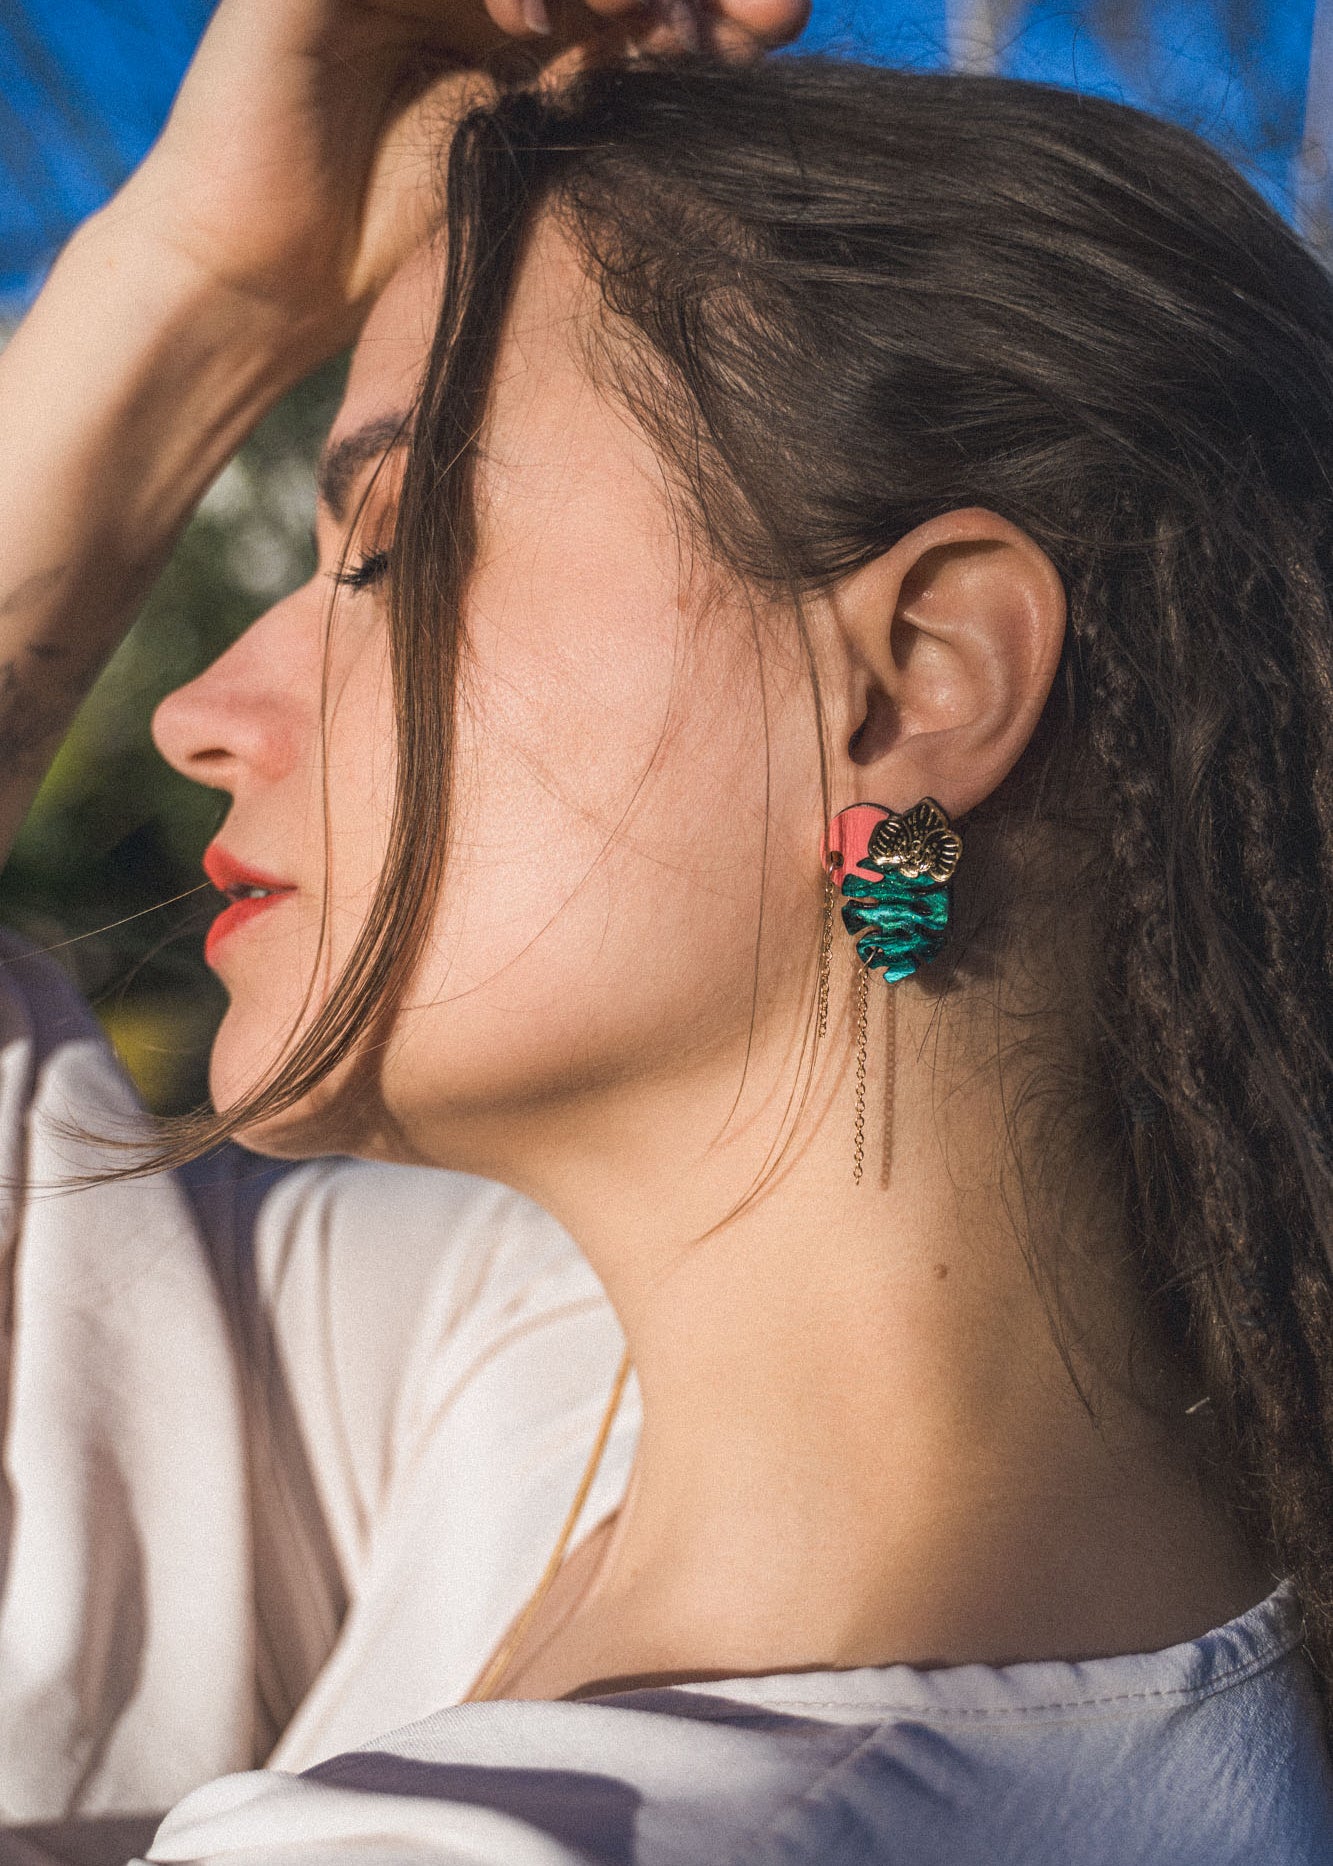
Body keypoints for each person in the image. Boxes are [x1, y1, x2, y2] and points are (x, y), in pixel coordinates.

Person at [0, 0, 1331, 1860]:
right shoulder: (546, 1396)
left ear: (911, 677)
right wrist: (223, 262)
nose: (202, 710)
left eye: (386, 548)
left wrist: (193, 297)